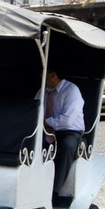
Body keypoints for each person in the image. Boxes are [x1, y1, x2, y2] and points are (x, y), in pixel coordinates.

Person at [41, 66, 85, 194]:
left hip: (69, 131)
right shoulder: (43, 91)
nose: (40, 76)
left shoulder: (72, 90)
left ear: (53, 75)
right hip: (45, 130)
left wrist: (44, 122)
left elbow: (67, 120)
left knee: (67, 146)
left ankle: (53, 191)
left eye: (43, 73)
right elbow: (35, 109)